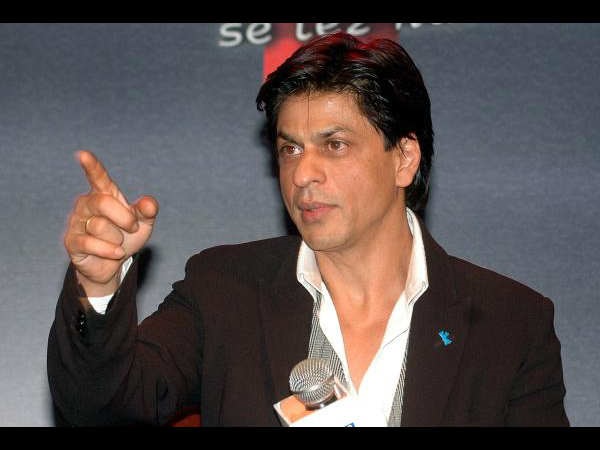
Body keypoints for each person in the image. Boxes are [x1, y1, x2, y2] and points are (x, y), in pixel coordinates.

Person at [47, 31, 569, 427]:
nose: (302, 174)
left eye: (334, 145)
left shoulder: (511, 324)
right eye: (290, 148)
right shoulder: (222, 289)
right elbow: (101, 405)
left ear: (404, 159)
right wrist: (98, 283)